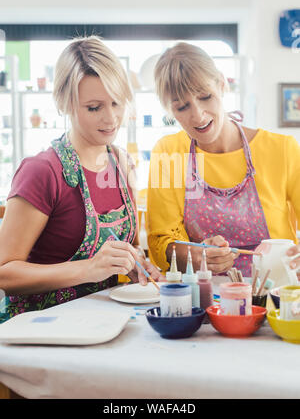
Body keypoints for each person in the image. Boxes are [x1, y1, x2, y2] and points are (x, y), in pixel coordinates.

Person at [0, 36, 162, 318]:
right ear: (65, 103)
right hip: (39, 326)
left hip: (101, 321)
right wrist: (88, 269)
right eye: (94, 107)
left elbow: (128, 245)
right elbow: (4, 273)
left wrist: (136, 262)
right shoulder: (42, 172)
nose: (111, 118)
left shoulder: (122, 163)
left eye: (116, 103)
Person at [147, 42, 300, 277]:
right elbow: (160, 243)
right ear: (170, 110)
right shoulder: (167, 152)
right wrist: (194, 255)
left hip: (276, 295)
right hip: (201, 295)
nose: (198, 115)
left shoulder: (283, 149)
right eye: (182, 107)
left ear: (221, 84)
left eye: (205, 97)